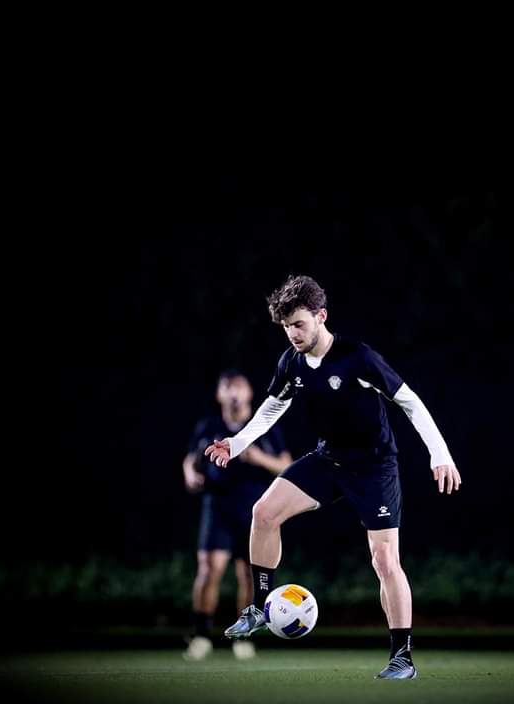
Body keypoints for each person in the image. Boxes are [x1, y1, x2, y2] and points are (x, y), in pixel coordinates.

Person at [205, 275, 461, 680]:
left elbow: (409, 401)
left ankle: (402, 657)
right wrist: (235, 444)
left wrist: (440, 454)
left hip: (374, 468)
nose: (293, 333)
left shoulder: (357, 357)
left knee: (384, 560)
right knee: (264, 513)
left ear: (321, 316)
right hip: (328, 461)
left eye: (299, 324)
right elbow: (272, 407)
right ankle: (259, 607)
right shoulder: (291, 362)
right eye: (286, 326)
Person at [183, 369, 292, 660]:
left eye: (239, 386)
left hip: (253, 508)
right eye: (228, 387)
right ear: (219, 394)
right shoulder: (209, 426)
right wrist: (190, 474)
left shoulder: (262, 425)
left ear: (249, 393)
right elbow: (191, 458)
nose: (233, 392)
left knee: (248, 574)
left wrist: (258, 457)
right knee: (209, 569)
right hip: (217, 505)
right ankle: (201, 635)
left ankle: (243, 637)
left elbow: (286, 464)